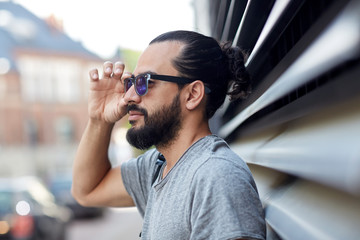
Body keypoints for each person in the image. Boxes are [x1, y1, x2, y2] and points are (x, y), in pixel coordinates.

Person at [72, 30, 266, 240]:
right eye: (132, 82)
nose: (129, 97)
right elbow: (87, 191)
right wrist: (99, 119)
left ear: (192, 95)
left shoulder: (216, 176)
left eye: (146, 81)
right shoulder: (158, 167)